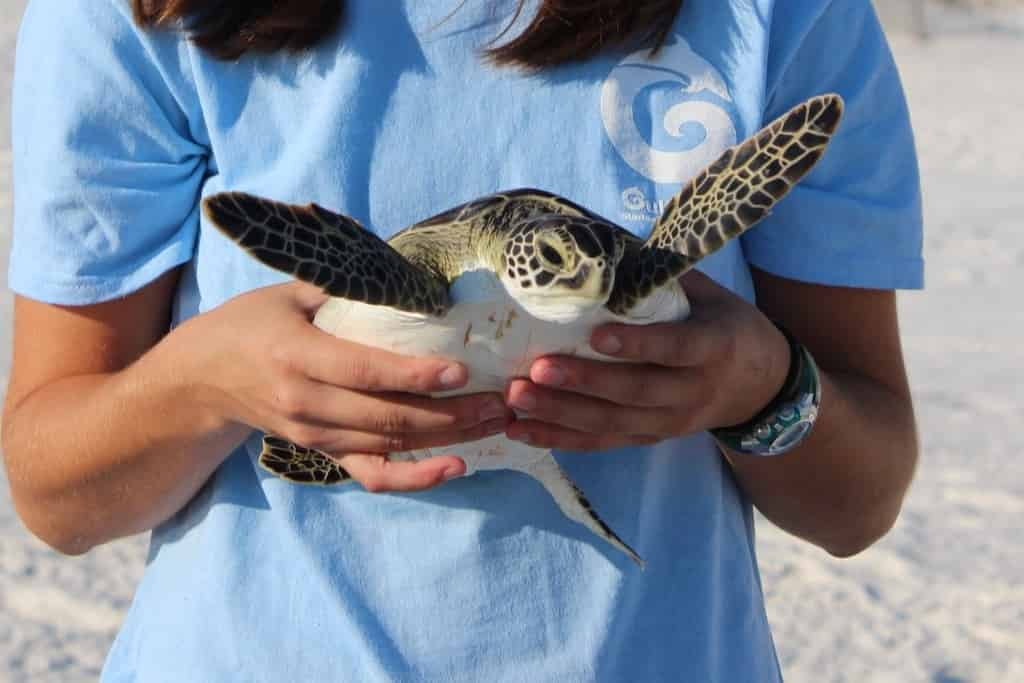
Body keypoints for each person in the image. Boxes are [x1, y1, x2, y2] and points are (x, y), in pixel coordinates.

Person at [2, 0, 922, 680]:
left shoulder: (782, 14)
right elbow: (57, 491)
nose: (568, 280)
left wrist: (762, 385)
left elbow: (859, 499)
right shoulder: (126, 13)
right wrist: (213, 379)